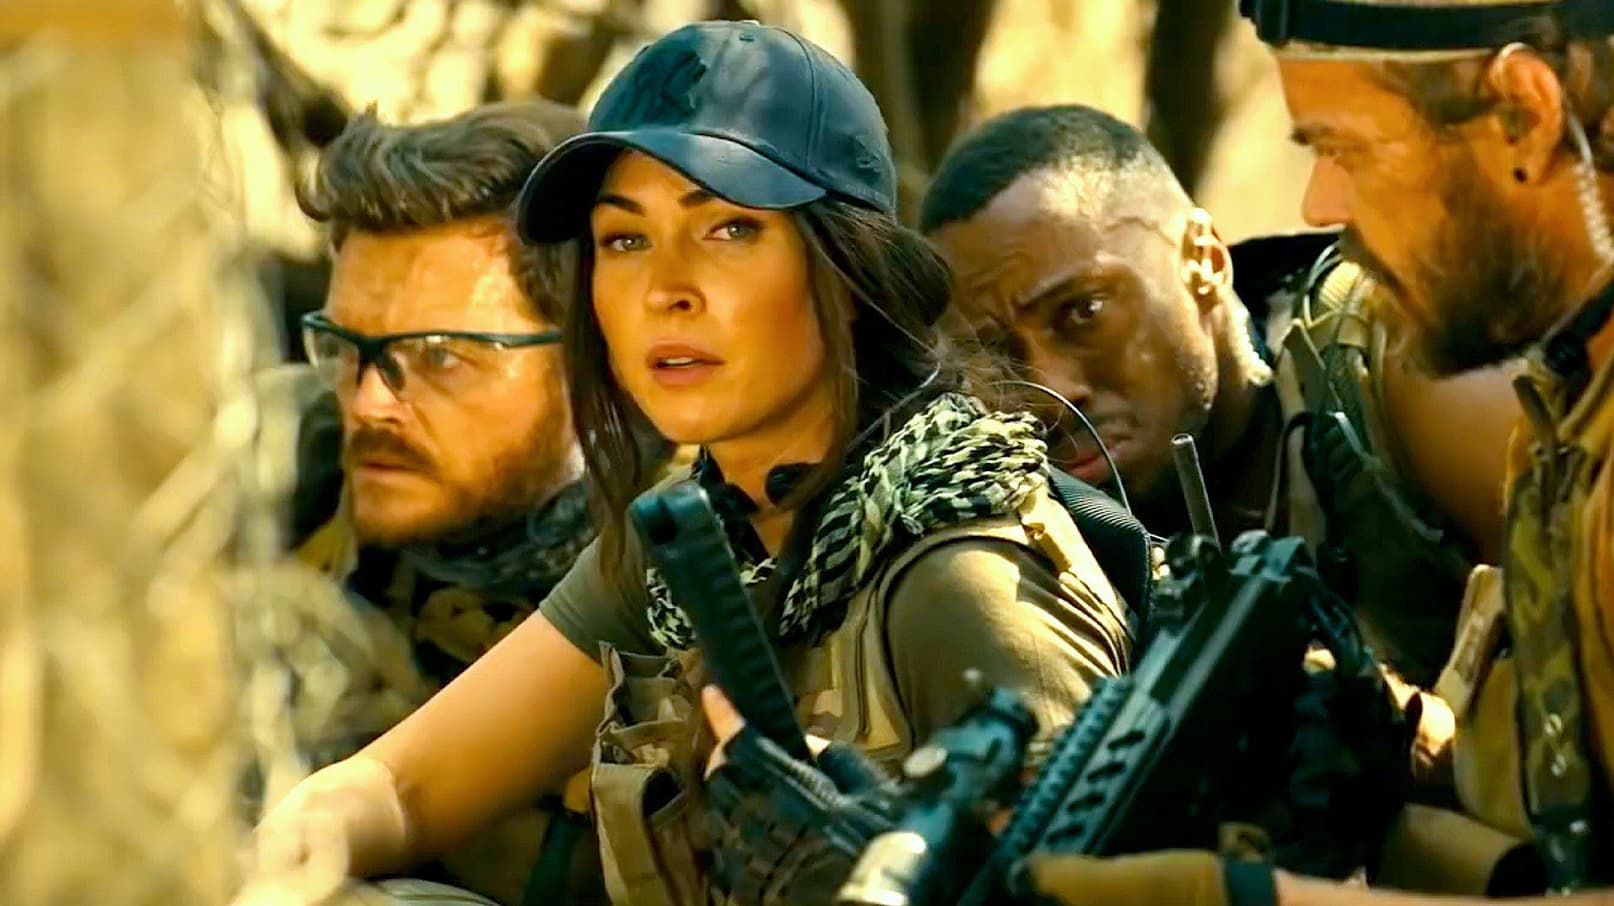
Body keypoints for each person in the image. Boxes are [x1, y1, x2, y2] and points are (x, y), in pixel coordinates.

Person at [242, 20, 1132, 906]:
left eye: (730, 230)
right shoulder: (697, 539)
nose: (665, 290)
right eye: (624, 241)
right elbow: (401, 787)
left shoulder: (968, 579)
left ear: (848, 268)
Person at [1022, 0, 1614, 901]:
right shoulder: (1565, 411)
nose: (1319, 206)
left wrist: (1250, 898)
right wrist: (1405, 738)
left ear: (1523, 112)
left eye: (1348, 148)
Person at [918, 104, 1521, 686]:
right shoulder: (1022, 526)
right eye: (993, 353)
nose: (1050, 395)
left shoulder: (1398, 360)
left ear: (1203, 260)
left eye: (1083, 312)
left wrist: (1409, 729)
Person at [277, 100, 609, 906]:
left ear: (592, 360)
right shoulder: (284, 459)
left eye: (439, 357)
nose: (369, 405)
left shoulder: (693, 564)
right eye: (345, 347)